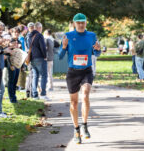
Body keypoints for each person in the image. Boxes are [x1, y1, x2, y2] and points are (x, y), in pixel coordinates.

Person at [59, 13, 101, 144]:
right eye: (78, 23)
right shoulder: (68, 36)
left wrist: (98, 49)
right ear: (74, 23)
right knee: (74, 102)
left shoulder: (91, 35)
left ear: (86, 23)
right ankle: (76, 129)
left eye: (83, 22)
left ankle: (84, 125)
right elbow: (60, 56)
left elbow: (96, 53)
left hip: (86, 71)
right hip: (72, 72)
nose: (81, 25)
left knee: (85, 95)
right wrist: (64, 47)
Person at [27, 22, 49, 101]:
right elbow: (42, 47)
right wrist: (45, 56)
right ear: (38, 28)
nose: (41, 29)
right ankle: (43, 94)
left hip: (32, 59)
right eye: (41, 28)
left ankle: (35, 95)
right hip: (40, 58)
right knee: (44, 76)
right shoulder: (39, 35)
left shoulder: (29, 36)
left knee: (35, 76)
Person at [25, 22, 35, 98]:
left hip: (32, 57)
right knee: (31, 75)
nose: (31, 28)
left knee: (31, 75)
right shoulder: (29, 36)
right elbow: (29, 48)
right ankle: (29, 92)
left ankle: (30, 91)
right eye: (30, 27)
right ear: (28, 28)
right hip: (30, 57)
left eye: (32, 27)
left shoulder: (32, 35)